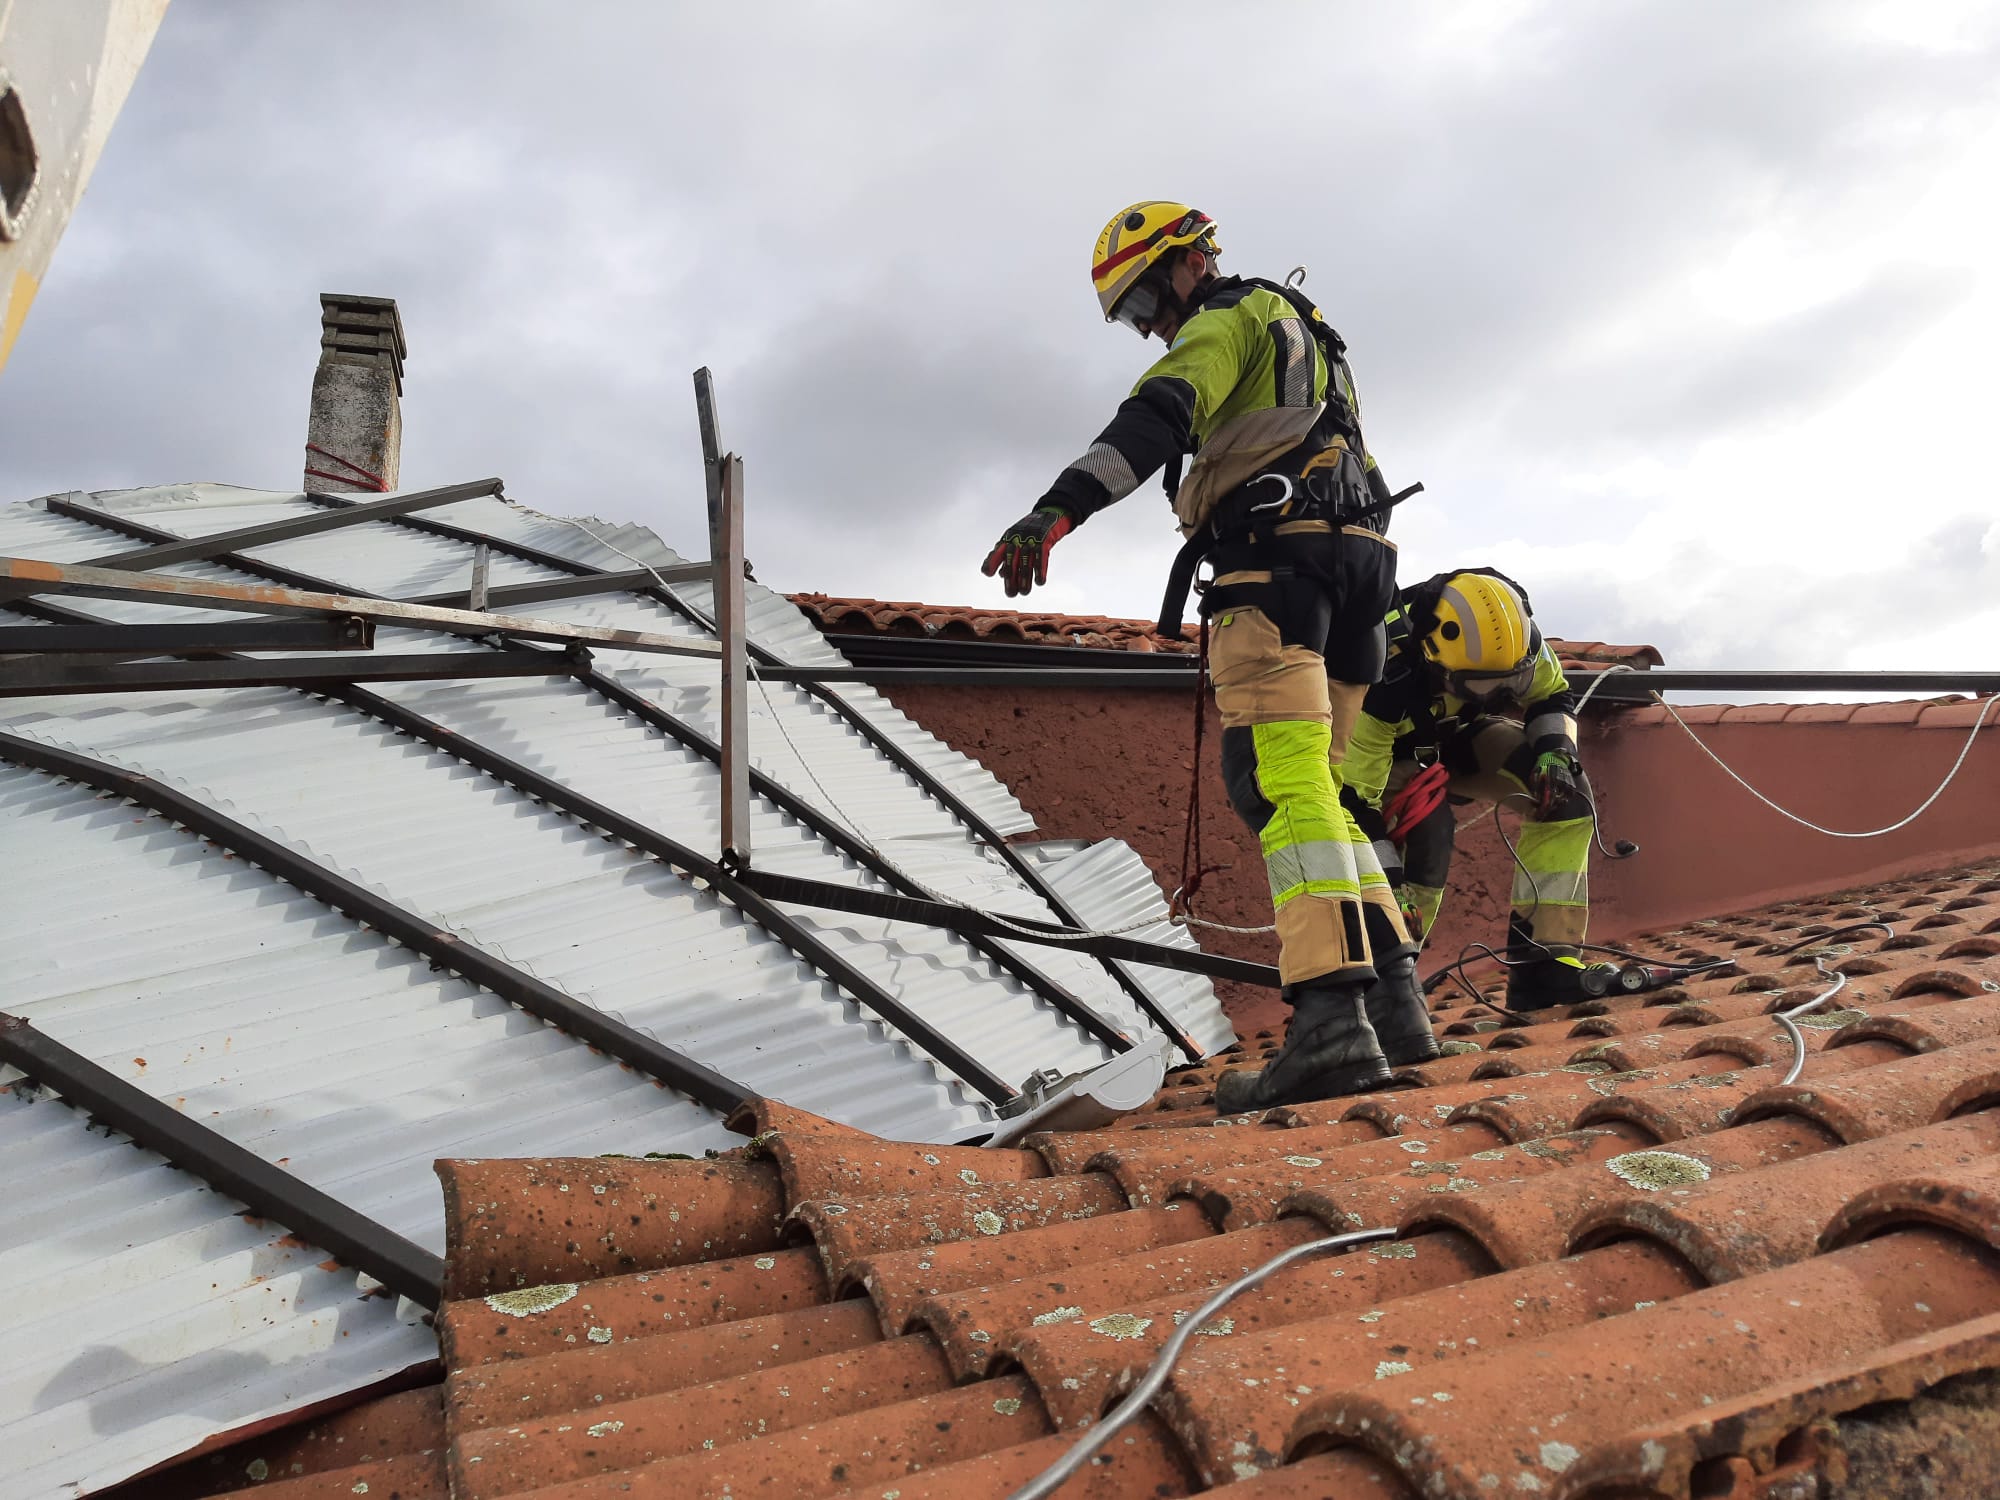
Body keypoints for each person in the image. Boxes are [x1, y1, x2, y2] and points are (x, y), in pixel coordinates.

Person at [981, 201, 1439, 1112]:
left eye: (1146, 296)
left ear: (1189, 263)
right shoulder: (1308, 332)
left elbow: (1157, 415)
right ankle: (1393, 1003)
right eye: (1128, 315)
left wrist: (1056, 509)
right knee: (1328, 792)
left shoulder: (1228, 320)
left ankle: (1328, 1023)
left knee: (1280, 785)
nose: (1148, 323)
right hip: (1359, 577)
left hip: (1279, 569)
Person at [1339, 568, 1596, 1010]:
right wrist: (1389, 881)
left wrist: (1555, 751)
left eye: (1507, 684)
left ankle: (1545, 966)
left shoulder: (1518, 646)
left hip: (1457, 735)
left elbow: (1552, 697)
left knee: (1566, 797)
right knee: (1427, 842)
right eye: (1479, 685)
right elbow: (1354, 800)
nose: (1495, 693)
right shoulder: (1383, 674)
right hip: (1387, 751)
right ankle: (1390, 989)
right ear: (1433, 656)